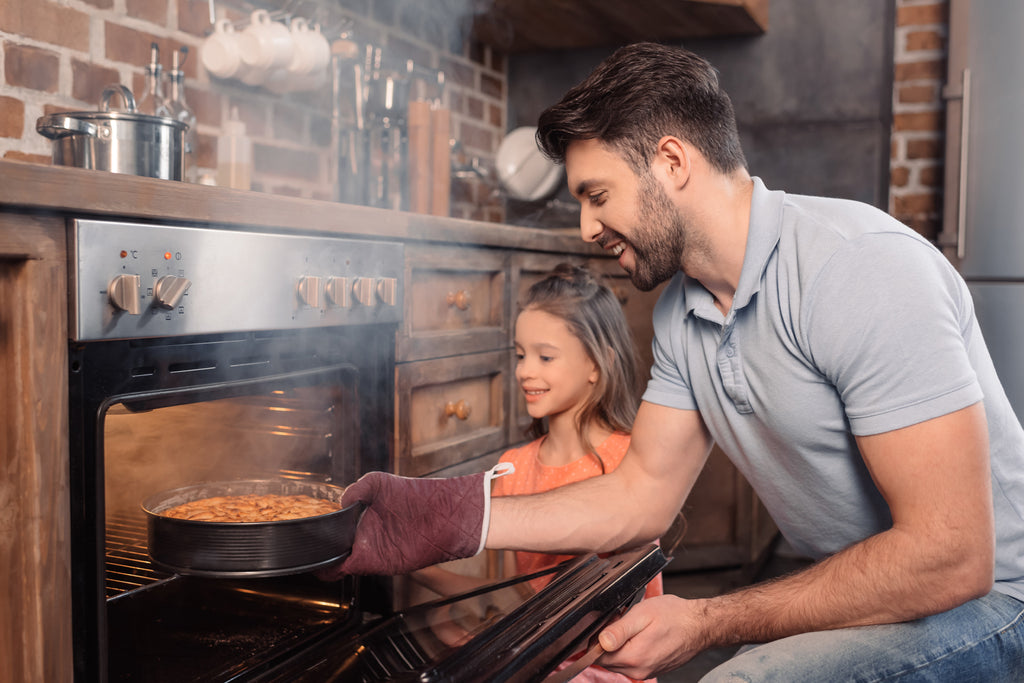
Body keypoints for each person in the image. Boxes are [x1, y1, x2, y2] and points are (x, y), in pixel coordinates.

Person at [330, 42, 1024, 681]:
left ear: (672, 162)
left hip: (996, 603)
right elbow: (638, 494)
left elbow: (951, 555)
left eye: (597, 196)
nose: (587, 229)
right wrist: (447, 515)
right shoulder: (681, 315)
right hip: (894, 595)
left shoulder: (857, 269)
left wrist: (704, 621)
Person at [413, 263, 664, 682]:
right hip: (537, 662)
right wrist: (418, 567)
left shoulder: (630, 462)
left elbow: (620, 626)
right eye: (520, 354)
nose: (525, 370)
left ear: (596, 366)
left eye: (545, 357)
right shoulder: (513, 467)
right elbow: (520, 604)